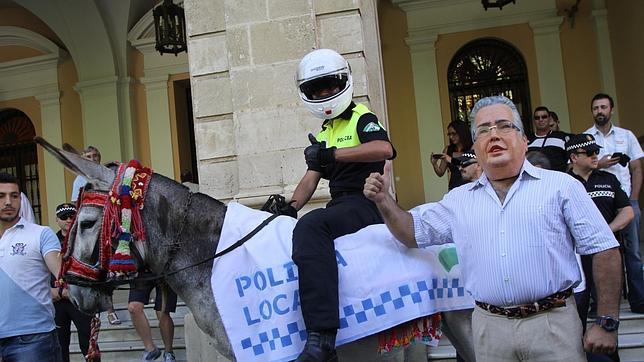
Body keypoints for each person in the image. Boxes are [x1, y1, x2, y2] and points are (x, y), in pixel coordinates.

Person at [364, 96, 622, 361]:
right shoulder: (458, 200)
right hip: (490, 330)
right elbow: (411, 233)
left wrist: (606, 322)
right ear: (475, 148)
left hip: (552, 326)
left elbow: (604, 250)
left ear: (524, 140)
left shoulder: (562, 187)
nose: (494, 135)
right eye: (484, 130)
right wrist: (383, 200)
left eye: (504, 126)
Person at [290, 48, 396, 361]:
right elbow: (310, 179)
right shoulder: (325, 132)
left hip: (367, 201)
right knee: (297, 223)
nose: (324, 93)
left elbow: (385, 148)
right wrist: (287, 209)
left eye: (330, 86)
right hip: (341, 205)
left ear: (343, 84)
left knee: (313, 224)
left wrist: (334, 155)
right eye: (317, 88)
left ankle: (322, 338)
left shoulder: (362, 116)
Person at [567, 134, 634, 362]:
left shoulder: (608, 179)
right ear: (574, 157)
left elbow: (627, 211)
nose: (596, 156)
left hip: (605, 259)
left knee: (606, 314)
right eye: (590, 153)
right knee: (574, 316)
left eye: (596, 151)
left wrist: (604, 233)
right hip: (574, 261)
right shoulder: (562, 183)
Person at [585, 93, 644, 314]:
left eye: (603, 107)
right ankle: (600, 303)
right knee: (599, 253)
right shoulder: (586, 138)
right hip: (598, 203)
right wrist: (598, 164)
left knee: (633, 253)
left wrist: (634, 199)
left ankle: (638, 299)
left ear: (611, 109)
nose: (599, 111)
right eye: (595, 108)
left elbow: (637, 169)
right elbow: (580, 169)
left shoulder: (626, 136)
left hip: (626, 202)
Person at [0, 172, 62, 361]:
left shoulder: (41, 234)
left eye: (14, 195)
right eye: (1, 196)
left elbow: (62, 271)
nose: (8, 202)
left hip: (33, 339)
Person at [51, 203, 97, 362]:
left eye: (71, 216)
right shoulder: (50, 241)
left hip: (80, 299)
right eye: (64, 217)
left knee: (89, 344)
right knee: (59, 345)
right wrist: (51, 290)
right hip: (58, 300)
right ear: (57, 220)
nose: (68, 220)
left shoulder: (87, 239)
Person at [128, 272, 177, 362]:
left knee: (162, 312)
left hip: (164, 266)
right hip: (142, 268)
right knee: (133, 307)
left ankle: (168, 352)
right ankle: (151, 350)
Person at [431, 120, 473, 190]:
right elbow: (440, 173)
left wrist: (450, 160)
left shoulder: (472, 148)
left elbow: (465, 164)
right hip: (453, 188)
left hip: (470, 188)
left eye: (454, 134)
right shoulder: (448, 150)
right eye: (449, 134)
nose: (451, 137)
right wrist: (434, 164)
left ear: (462, 132)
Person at [527, 106, 569, 172]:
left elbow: (570, 161)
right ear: (534, 121)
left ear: (549, 119)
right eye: (537, 118)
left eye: (544, 117)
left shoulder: (561, 137)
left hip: (557, 178)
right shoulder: (527, 139)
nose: (540, 120)